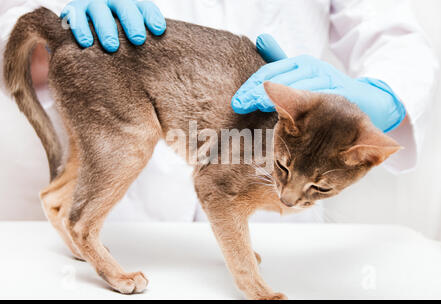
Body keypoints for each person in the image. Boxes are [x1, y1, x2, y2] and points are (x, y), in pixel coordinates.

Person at [0, 0, 438, 222]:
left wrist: (383, 95)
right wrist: (61, 48)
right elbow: (17, 23)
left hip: (281, 231)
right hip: (127, 223)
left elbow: (397, 38)